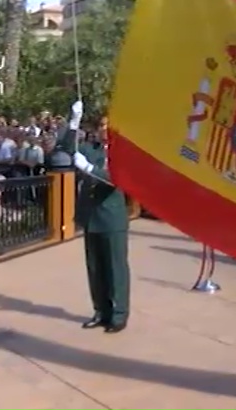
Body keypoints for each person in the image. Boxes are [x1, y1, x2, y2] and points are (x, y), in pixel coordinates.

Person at [73, 109, 131, 334]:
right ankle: (101, 311)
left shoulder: (122, 154)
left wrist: (88, 168)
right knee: (95, 269)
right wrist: (72, 123)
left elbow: (114, 179)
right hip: (92, 218)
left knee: (115, 268)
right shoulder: (92, 149)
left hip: (112, 219)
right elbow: (65, 150)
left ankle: (119, 314)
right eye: (101, 126)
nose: (103, 130)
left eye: (108, 126)